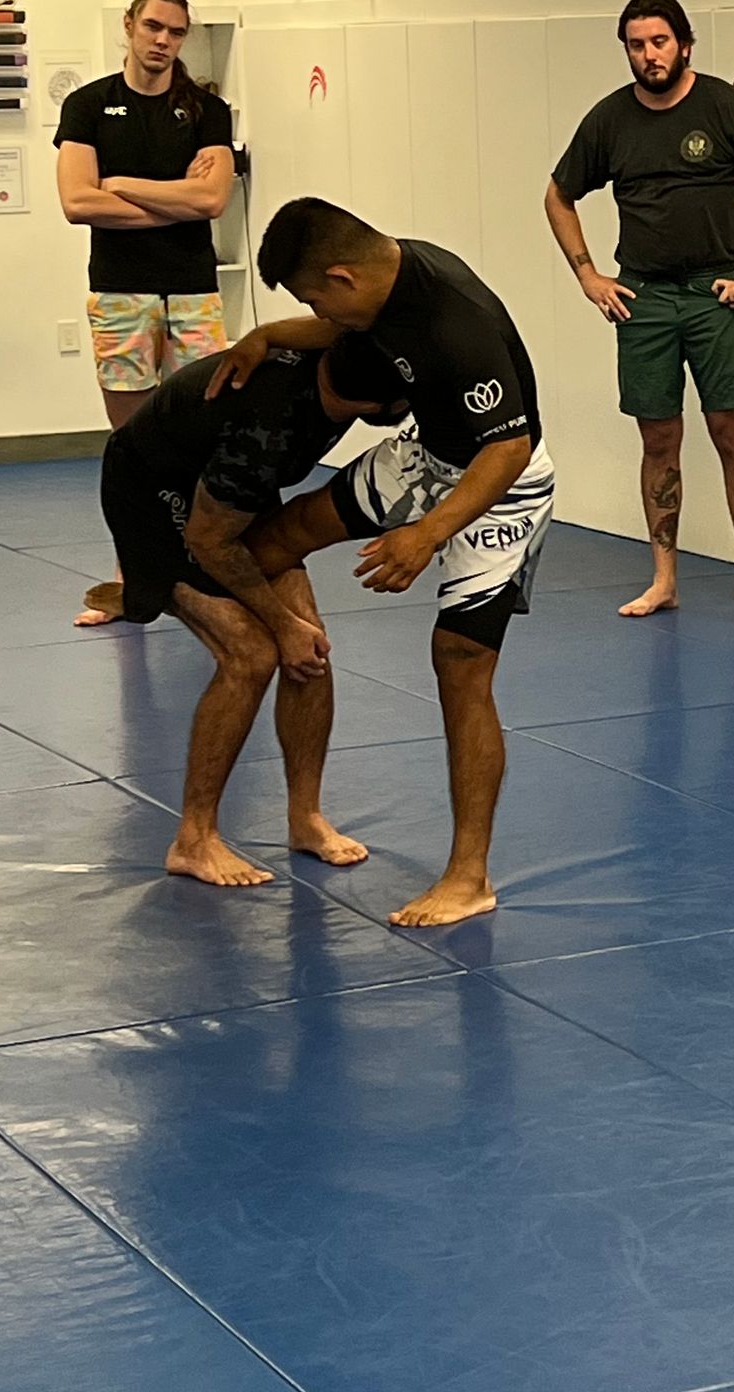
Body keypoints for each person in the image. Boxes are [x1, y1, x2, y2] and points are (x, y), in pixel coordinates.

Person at [212, 199, 555, 932]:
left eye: (312, 296)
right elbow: (334, 328)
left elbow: (510, 450)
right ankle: (286, 737)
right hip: (433, 456)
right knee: (279, 536)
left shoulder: (452, 320)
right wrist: (266, 334)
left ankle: (469, 878)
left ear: (342, 275)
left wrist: (425, 537)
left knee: (459, 659)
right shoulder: (375, 284)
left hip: (501, 485)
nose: (316, 311)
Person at [100, 335, 405, 888]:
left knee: (310, 646)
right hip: (155, 495)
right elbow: (210, 540)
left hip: (228, 487)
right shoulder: (268, 428)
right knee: (252, 653)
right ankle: (193, 840)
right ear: (368, 408)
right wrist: (281, 623)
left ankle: (306, 819)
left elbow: (322, 317)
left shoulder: (339, 349)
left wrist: (262, 335)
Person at [545, 0, 734, 620]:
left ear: (684, 44)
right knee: (658, 438)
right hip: (645, 298)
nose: (648, 55)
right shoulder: (610, 119)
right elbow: (558, 196)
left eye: (659, 42)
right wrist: (588, 275)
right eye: (636, 45)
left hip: (715, 293)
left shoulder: (721, 105)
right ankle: (664, 579)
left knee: (731, 433)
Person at [54, 0, 234, 627]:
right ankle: (134, 581)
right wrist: (172, 198)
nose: (162, 41)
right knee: (132, 445)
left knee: (204, 438)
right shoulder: (88, 106)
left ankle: (205, 569)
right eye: (153, 27)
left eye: (175, 32)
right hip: (121, 293)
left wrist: (124, 186)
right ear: (129, 26)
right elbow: (77, 203)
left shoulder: (207, 112)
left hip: (193, 292)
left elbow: (211, 203)